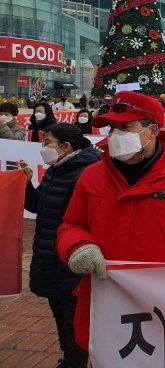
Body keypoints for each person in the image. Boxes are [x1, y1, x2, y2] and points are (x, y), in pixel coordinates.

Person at [57, 90, 165, 351]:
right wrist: (78, 246)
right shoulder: (92, 177)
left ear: (153, 131)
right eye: (112, 128)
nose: (116, 136)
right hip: (107, 298)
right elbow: (71, 225)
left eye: (126, 127)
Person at [20, 123, 101, 368]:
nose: (44, 147)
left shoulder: (85, 173)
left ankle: (75, 363)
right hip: (49, 257)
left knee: (73, 319)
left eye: (49, 142)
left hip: (69, 260)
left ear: (66, 147)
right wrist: (27, 184)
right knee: (61, 314)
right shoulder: (57, 169)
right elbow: (38, 207)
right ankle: (68, 360)